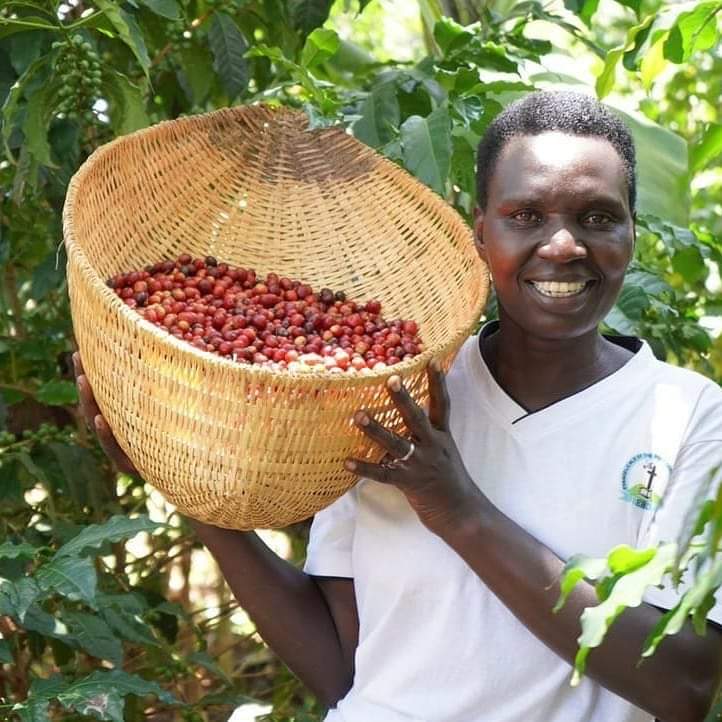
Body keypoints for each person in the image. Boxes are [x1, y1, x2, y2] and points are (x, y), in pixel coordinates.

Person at [73, 91, 722, 722]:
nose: (561, 246)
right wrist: (192, 494)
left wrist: (457, 509)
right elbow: (345, 669)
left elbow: (683, 683)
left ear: (632, 233)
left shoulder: (687, 417)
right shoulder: (389, 391)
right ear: (481, 232)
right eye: (526, 216)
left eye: (598, 217)